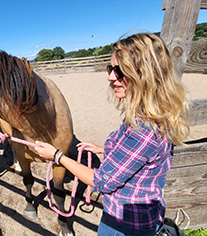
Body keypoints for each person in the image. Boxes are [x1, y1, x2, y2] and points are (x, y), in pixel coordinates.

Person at [34, 33, 189, 236]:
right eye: (110, 68)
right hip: (143, 214)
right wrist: (102, 148)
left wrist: (57, 156)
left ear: (143, 74)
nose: (110, 77)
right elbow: (138, 156)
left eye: (119, 71)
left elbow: (102, 182)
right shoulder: (153, 115)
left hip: (123, 224)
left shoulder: (143, 131)